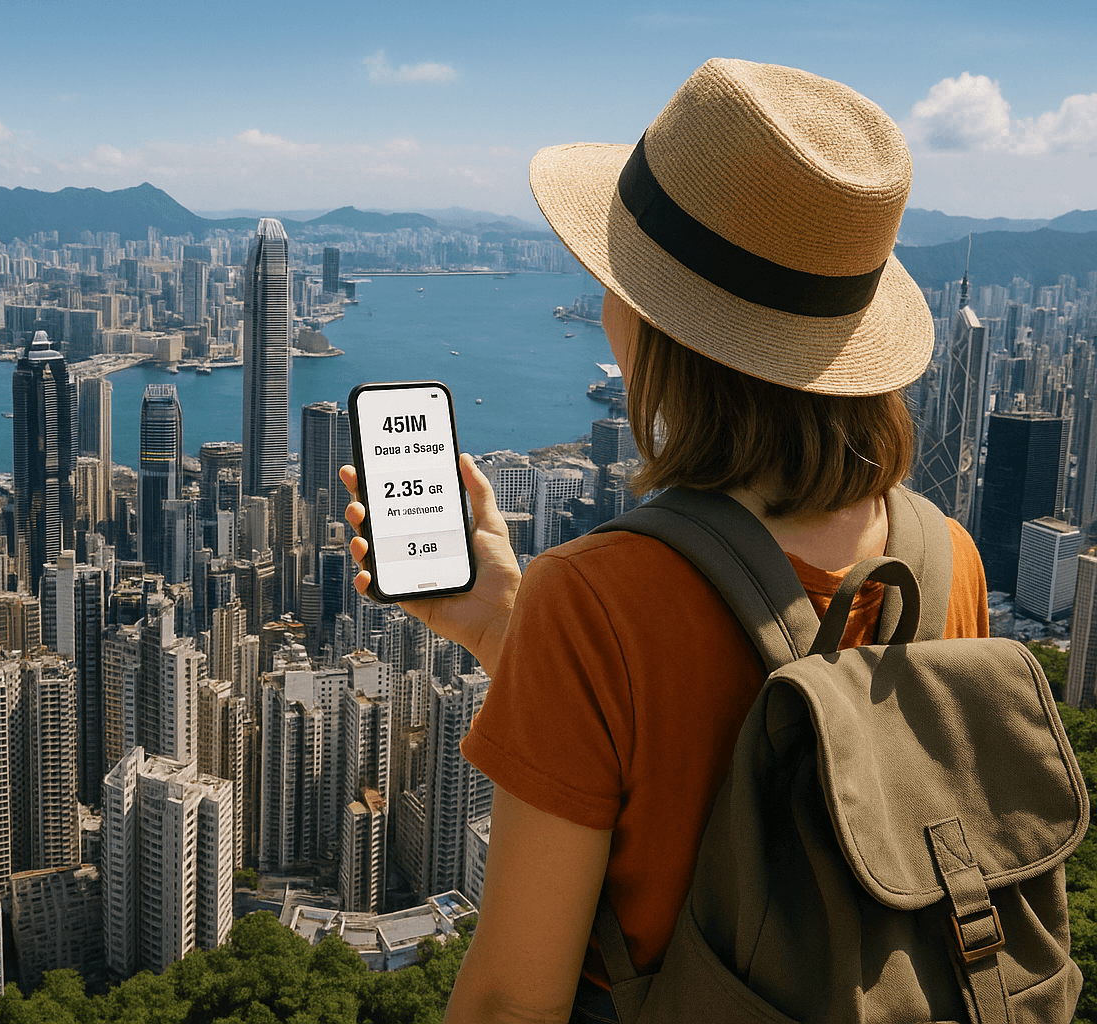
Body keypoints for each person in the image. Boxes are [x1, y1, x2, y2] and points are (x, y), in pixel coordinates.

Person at [340, 58, 991, 1024]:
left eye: (612, 275)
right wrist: (507, 628)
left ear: (651, 324)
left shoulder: (596, 600)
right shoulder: (946, 559)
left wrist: (551, 627)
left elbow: (512, 1001)